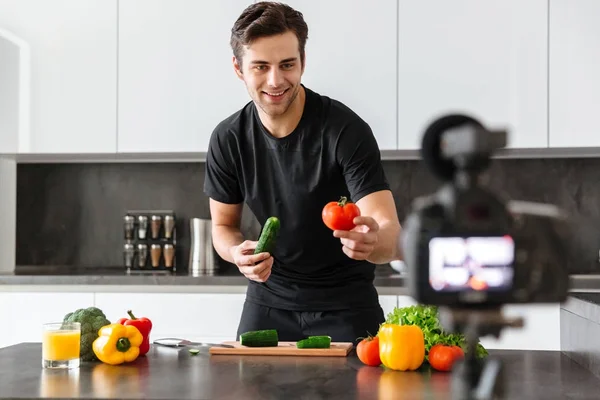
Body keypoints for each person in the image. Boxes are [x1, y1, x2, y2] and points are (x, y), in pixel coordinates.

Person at [203, 1, 403, 344]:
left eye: (287, 65)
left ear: (303, 63)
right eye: (260, 66)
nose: (275, 80)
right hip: (267, 300)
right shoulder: (229, 138)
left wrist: (372, 242)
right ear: (238, 68)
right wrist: (237, 253)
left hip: (348, 304)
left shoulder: (345, 130)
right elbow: (223, 227)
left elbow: (389, 234)